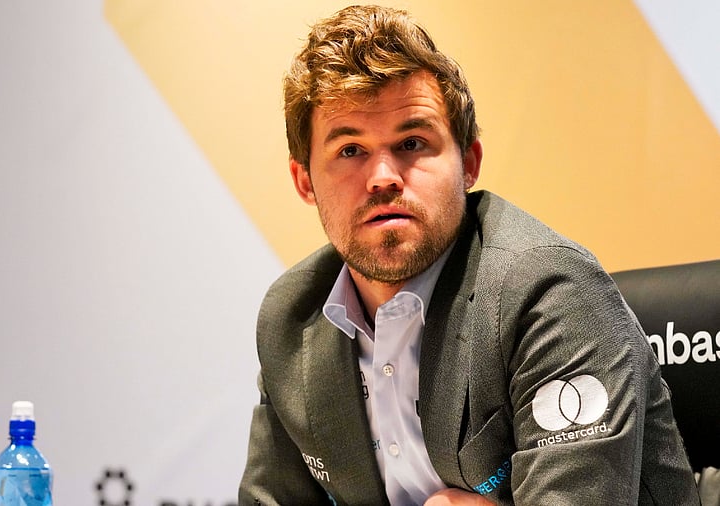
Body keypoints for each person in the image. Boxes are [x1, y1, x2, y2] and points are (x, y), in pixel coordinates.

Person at [238, 5, 698, 505]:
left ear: (469, 163)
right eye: (350, 150)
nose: (383, 176)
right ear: (305, 180)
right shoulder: (291, 319)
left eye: (412, 142)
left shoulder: (550, 294)